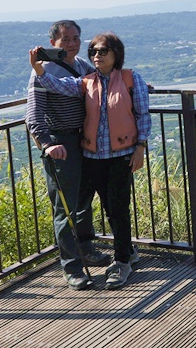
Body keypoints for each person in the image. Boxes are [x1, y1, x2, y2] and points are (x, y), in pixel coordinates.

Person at [29, 31, 151, 290]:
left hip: (121, 155)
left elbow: (143, 116)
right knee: (104, 208)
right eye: (94, 51)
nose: (97, 55)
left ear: (116, 53)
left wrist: (140, 147)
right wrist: (39, 71)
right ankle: (123, 253)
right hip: (92, 156)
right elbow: (59, 86)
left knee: (118, 209)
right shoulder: (86, 81)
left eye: (103, 51)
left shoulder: (131, 79)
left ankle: (122, 261)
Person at [25, 20, 110, 291]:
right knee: (65, 207)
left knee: (84, 199)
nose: (72, 43)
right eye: (65, 39)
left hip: (84, 140)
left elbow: (104, 83)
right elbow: (34, 113)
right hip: (61, 143)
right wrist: (47, 144)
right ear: (53, 43)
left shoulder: (82, 66)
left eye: (76, 38)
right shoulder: (42, 70)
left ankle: (86, 248)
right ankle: (72, 268)